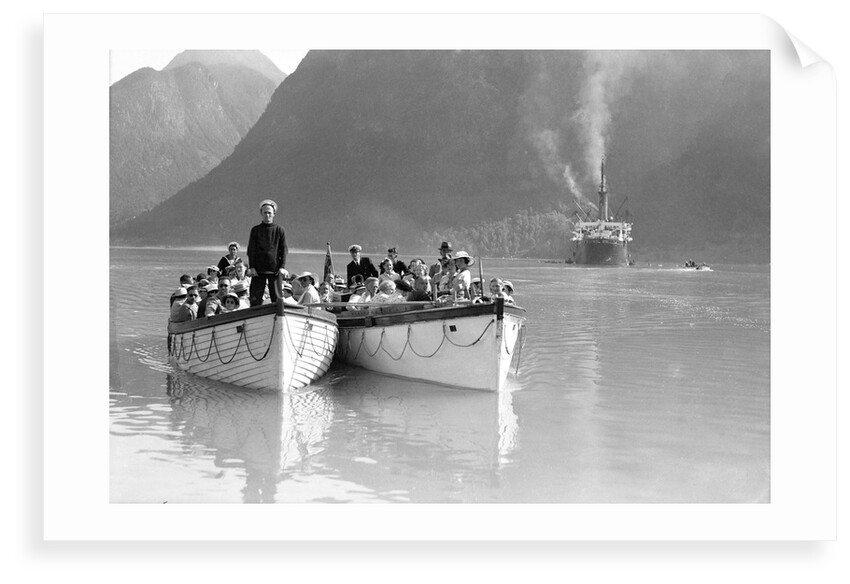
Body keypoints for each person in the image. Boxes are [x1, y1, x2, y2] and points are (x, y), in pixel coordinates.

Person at [247, 199, 289, 306]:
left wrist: (282, 267)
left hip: (275, 271)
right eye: (265, 212)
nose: (267, 215)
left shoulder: (280, 230)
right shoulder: (255, 230)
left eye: (269, 213)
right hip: (258, 271)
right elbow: (251, 250)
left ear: (274, 214)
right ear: (261, 213)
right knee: (255, 300)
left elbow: (284, 249)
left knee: (277, 300)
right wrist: (252, 267)